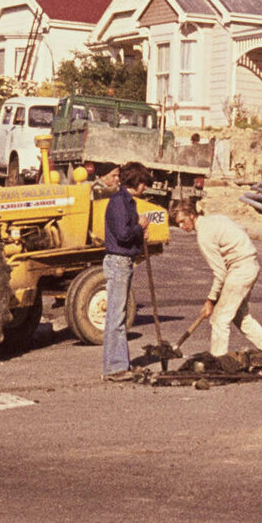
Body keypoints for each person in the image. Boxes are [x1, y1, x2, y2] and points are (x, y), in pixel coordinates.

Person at [170, 198, 262, 359]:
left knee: (219, 320)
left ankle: (218, 361)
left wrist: (210, 300)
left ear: (192, 215)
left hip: (239, 270)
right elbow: (241, 230)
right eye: (177, 224)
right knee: (240, 316)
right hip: (250, 265)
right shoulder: (215, 219)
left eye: (182, 221)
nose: (181, 226)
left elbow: (220, 273)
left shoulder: (204, 235)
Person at [101, 161, 151, 381]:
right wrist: (139, 227)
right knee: (116, 316)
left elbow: (127, 233)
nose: (145, 188)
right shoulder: (120, 202)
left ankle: (120, 363)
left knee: (119, 315)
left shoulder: (126, 201)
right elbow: (123, 234)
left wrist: (139, 233)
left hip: (123, 261)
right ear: (136, 182)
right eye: (144, 183)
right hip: (119, 261)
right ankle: (114, 367)